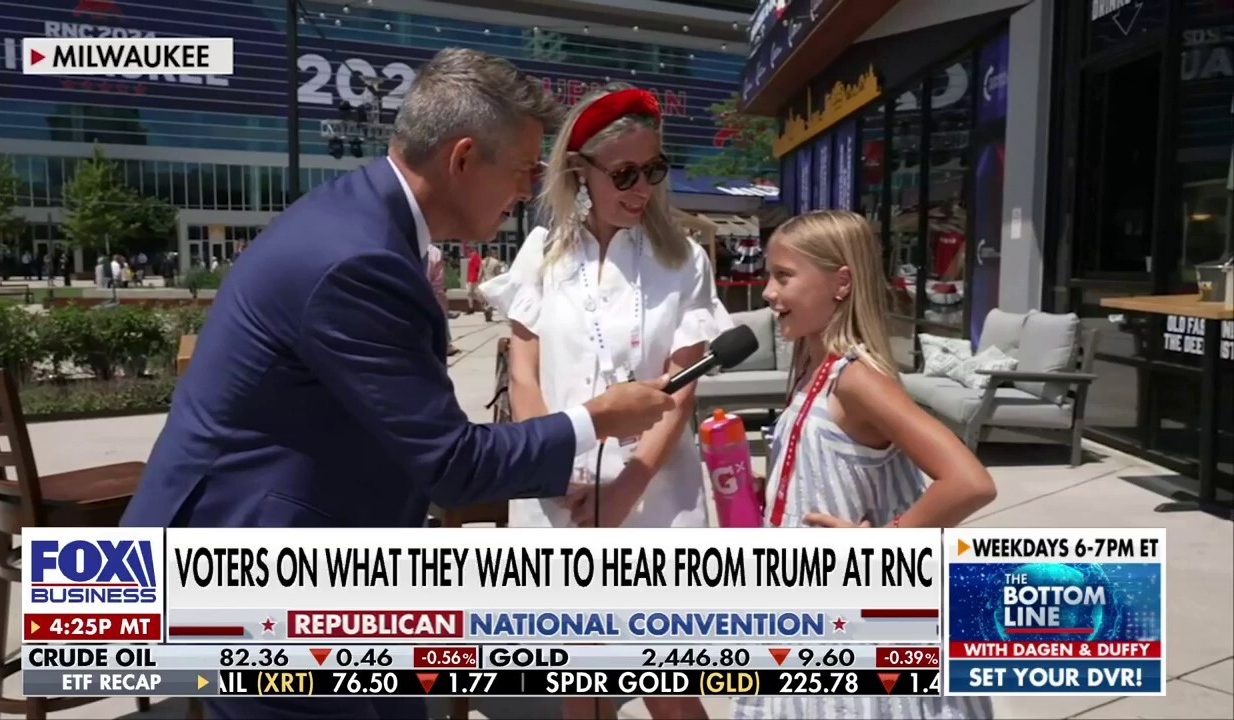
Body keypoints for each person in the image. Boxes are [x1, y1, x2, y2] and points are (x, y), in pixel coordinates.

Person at [121, 48, 676, 720]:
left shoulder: (363, 220)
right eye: (525, 170)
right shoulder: (359, 262)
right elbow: (451, 463)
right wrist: (596, 419)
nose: (530, 189)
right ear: (463, 159)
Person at [479, 83, 729, 720]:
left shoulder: (686, 260)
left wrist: (624, 490)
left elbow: (681, 389)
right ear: (578, 170)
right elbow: (527, 373)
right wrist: (548, 467)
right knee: (580, 690)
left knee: (670, 687)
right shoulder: (542, 253)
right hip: (559, 493)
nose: (642, 188)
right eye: (623, 172)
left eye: (654, 170)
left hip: (655, 494)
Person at [732, 210, 997, 720]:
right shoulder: (810, 368)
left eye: (783, 276)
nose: (767, 292)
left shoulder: (856, 378)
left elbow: (969, 482)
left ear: (841, 283)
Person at [425, 242, 459, 356]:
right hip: (430, 303)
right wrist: (444, 308)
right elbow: (438, 289)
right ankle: (446, 345)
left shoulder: (397, 245)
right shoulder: (434, 253)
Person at [479, 246, 505, 321]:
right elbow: (497, 273)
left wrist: (478, 282)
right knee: (491, 299)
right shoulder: (496, 262)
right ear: (493, 254)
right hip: (492, 282)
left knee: (486, 299)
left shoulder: (483, 261)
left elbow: (480, 274)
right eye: (496, 253)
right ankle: (488, 311)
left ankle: (486, 312)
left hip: (484, 281)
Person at [465, 245, 483, 312]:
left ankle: (483, 306)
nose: (467, 251)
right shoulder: (470, 256)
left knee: (475, 293)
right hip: (469, 278)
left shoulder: (475, 256)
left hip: (474, 278)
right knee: (469, 293)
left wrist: (479, 276)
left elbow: (480, 266)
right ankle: (471, 307)